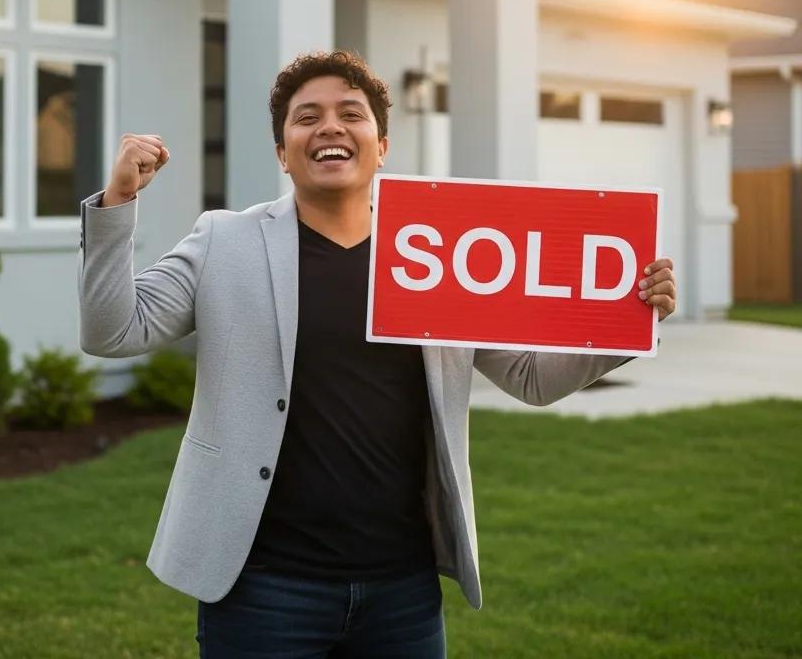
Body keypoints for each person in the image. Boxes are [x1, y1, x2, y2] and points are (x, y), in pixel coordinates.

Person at [78, 50, 676, 658]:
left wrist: (630, 321)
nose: (330, 126)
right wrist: (118, 202)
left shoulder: (442, 254)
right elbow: (113, 330)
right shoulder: (224, 241)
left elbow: (530, 378)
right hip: (262, 586)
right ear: (284, 153)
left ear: (381, 145)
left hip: (402, 591)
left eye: (350, 113)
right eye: (306, 117)